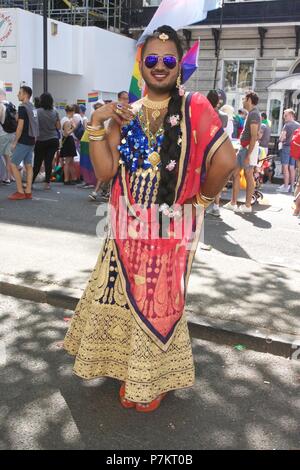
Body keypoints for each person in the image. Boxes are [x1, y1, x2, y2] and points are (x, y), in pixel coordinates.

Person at [63, 25, 236, 412]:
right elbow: (106, 172)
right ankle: (132, 371)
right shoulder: (125, 115)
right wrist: (96, 123)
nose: (160, 66)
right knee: (135, 300)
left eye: (168, 60)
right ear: (141, 64)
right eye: (152, 59)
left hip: (162, 231)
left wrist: (200, 201)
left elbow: (225, 161)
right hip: (129, 229)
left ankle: (148, 379)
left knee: (156, 303)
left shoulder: (193, 108)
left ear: (179, 67)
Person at [224, 90, 261, 213]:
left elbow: (254, 136)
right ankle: (233, 202)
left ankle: (247, 205)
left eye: (244, 99)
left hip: (247, 149)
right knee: (235, 173)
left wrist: (248, 155)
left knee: (248, 175)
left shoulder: (254, 114)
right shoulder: (252, 114)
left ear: (250, 100)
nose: (243, 101)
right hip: (244, 148)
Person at [8, 85, 39, 200]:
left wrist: (15, 142)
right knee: (29, 166)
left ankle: (20, 191)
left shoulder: (22, 107)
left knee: (13, 164)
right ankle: (28, 191)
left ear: (25, 95)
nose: (17, 94)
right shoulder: (32, 107)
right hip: (32, 140)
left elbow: (20, 127)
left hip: (23, 140)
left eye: (19, 92)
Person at [32, 92, 61, 190]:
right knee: (48, 161)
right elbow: (58, 127)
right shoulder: (55, 111)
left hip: (41, 140)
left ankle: (30, 182)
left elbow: (33, 125)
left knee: (37, 162)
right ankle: (47, 183)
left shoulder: (36, 111)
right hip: (53, 139)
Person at [277, 108, 300, 193]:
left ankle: (286, 186)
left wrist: (280, 141)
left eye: (285, 115)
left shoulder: (287, 125)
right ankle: (292, 187)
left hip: (286, 147)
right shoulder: (298, 125)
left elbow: (282, 137)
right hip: (295, 148)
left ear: (291, 115)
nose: (284, 117)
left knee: (285, 167)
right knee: (292, 167)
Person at [0, 88, 16, 185]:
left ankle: (6, 177)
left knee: (3, 156)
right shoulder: (11, 105)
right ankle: (9, 177)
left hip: (2, 134)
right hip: (12, 134)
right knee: (8, 157)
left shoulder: (1, 105)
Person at [60, 105, 78, 185]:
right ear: (71, 111)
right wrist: (74, 128)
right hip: (68, 140)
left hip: (67, 141)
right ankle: (66, 179)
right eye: (73, 111)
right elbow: (66, 133)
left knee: (70, 161)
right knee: (68, 161)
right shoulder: (67, 120)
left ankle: (73, 178)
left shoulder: (65, 119)